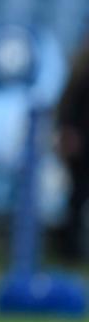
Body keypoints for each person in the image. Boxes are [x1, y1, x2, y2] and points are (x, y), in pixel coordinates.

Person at [55, 33, 89, 262]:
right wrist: (67, 132)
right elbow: (67, 106)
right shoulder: (80, 69)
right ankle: (71, 249)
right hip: (82, 143)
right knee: (78, 196)